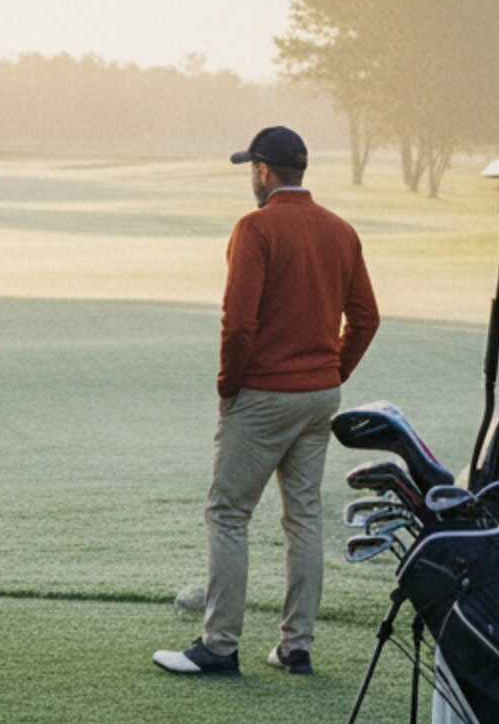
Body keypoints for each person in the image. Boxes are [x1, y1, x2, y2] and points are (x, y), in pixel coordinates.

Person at [155, 125, 380, 677]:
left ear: (263, 171)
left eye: (251, 170)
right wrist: (330, 372)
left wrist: (229, 386)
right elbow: (367, 319)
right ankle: (295, 648)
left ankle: (220, 645)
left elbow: (240, 323)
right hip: (319, 396)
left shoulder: (255, 228)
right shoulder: (341, 230)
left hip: (264, 394)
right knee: (303, 517)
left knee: (227, 513)